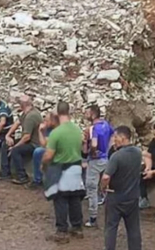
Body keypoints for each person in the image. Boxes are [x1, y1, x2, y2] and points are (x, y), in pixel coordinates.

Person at [99, 126, 144, 250]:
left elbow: (106, 176)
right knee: (133, 227)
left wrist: (103, 188)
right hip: (133, 196)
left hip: (116, 196)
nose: (114, 141)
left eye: (116, 137)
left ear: (123, 138)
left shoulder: (116, 156)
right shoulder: (138, 153)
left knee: (111, 227)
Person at [42, 101, 85, 242]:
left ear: (57, 114)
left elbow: (48, 155)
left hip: (61, 168)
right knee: (74, 198)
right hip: (76, 167)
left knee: (60, 198)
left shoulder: (56, 133)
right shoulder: (77, 129)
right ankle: (77, 227)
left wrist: (44, 164)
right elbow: (83, 148)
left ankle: (62, 230)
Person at [83, 105, 114, 228]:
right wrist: (108, 150)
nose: (85, 115)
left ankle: (93, 217)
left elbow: (94, 143)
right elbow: (113, 135)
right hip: (106, 159)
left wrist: (91, 151)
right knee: (106, 187)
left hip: (95, 161)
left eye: (86, 112)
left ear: (92, 114)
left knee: (91, 188)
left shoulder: (92, 129)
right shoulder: (106, 124)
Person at [5, 95, 43, 184]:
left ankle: (22, 176)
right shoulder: (27, 113)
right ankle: (5, 172)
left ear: (22, 105)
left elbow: (27, 137)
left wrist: (15, 146)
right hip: (28, 140)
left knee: (16, 151)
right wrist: (8, 135)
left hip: (34, 143)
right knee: (6, 144)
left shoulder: (31, 116)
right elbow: (17, 122)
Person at [31, 113, 58, 188]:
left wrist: (40, 131)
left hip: (58, 151)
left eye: (46, 121)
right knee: (38, 151)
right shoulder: (48, 129)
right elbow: (43, 144)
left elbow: (45, 144)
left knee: (40, 152)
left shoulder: (57, 129)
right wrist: (41, 131)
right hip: (50, 149)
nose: (44, 123)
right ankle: (37, 179)